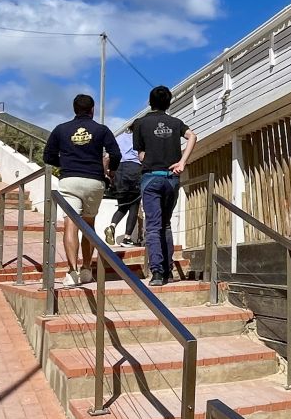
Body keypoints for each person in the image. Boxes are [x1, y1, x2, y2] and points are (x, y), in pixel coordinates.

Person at [44, 94, 121, 286]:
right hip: (94, 181)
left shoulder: (61, 129)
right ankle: (87, 269)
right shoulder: (101, 129)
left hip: (70, 180)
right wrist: (111, 171)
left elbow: (48, 156)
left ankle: (72, 272)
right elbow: (116, 154)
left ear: (74, 109)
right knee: (88, 224)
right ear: (92, 110)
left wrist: (67, 163)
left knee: (70, 224)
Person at [133, 85, 197, 286]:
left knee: (153, 226)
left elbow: (141, 154)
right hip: (171, 178)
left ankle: (158, 273)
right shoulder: (176, 123)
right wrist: (182, 162)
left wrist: (149, 158)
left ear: (150, 102)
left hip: (151, 177)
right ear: (169, 103)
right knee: (166, 224)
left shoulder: (140, 124)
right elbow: (192, 136)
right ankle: (168, 269)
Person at [104, 125, 143, 248]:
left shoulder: (119, 138)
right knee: (134, 205)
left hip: (119, 171)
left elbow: (107, 156)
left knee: (122, 205)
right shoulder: (140, 138)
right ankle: (127, 238)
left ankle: (112, 225)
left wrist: (108, 173)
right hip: (134, 169)